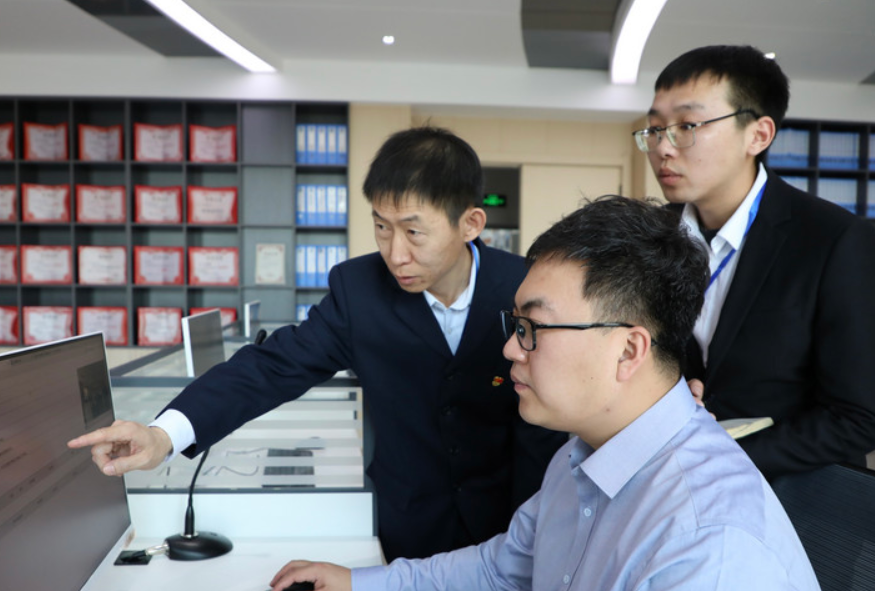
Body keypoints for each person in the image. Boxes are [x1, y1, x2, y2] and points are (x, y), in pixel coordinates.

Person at [269, 195, 820, 591]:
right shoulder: (580, 455)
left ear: (628, 350)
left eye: (534, 328)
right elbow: (504, 568)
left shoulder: (707, 548)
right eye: (516, 324)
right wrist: (360, 583)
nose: (510, 348)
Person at [67, 126, 566, 561]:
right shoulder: (360, 291)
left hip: (521, 524)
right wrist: (163, 436)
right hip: (409, 528)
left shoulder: (524, 287)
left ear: (471, 224)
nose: (395, 253)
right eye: (382, 228)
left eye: (414, 232)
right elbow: (270, 367)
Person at [633, 44, 875, 478]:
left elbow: (859, 417)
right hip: (663, 485)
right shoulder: (646, 237)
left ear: (758, 135)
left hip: (790, 499)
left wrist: (719, 460)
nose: (663, 148)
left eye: (687, 126)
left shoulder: (834, 239)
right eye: (654, 129)